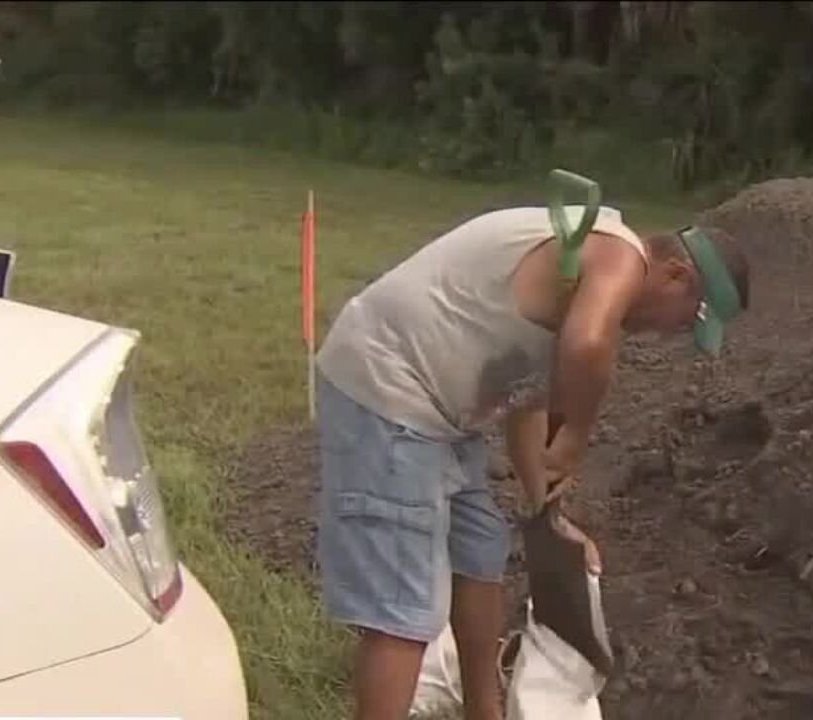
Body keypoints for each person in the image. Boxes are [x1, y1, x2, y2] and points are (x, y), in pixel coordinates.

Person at [313, 204, 751, 720]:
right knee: (405, 610)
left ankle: (484, 709)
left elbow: (528, 407)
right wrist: (578, 435)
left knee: (480, 551)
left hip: (440, 414)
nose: (669, 335)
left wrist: (550, 510)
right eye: (688, 322)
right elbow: (588, 347)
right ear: (676, 276)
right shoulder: (620, 256)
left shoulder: (582, 275)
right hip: (389, 386)